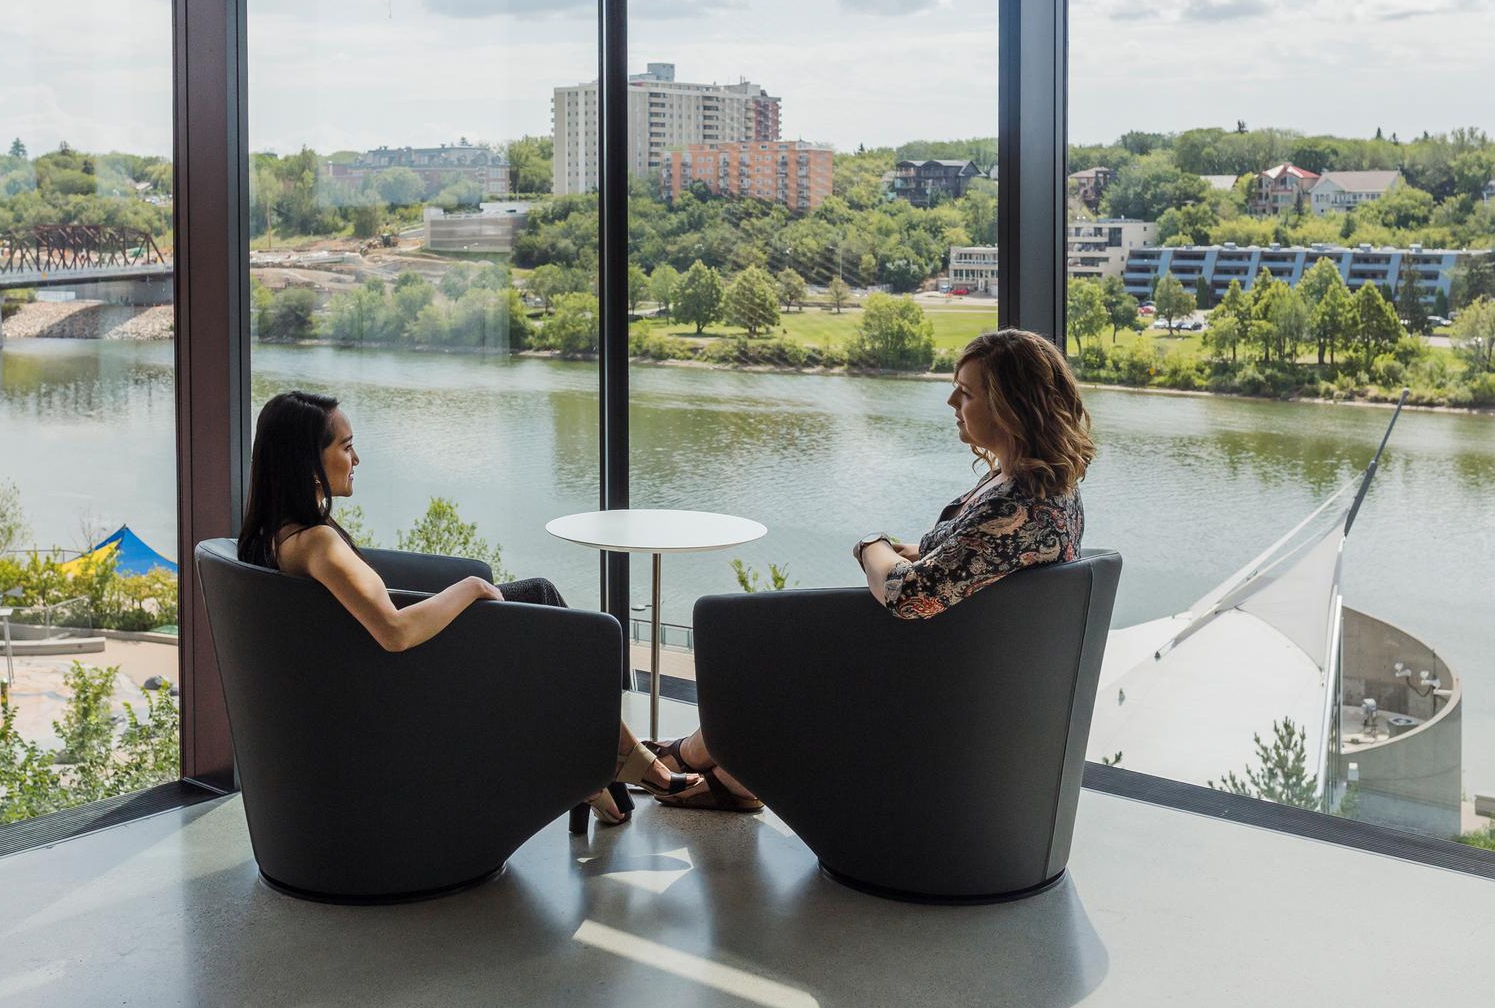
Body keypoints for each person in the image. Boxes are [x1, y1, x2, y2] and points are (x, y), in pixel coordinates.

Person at [647, 328, 1094, 812]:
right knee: (790, 642)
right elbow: (977, 560)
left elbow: (909, 597)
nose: (950, 401)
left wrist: (871, 547)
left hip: (941, 691)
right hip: (963, 668)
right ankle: (729, 772)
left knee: (778, 645)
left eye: (966, 392)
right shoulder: (1043, 488)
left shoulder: (1019, 501)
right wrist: (922, 550)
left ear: (1012, 405)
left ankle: (693, 757)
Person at [237, 389, 699, 825]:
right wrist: (472, 586)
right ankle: (615, 762)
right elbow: (394, 631)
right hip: (403, 692)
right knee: (543, 605)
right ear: (308, 460)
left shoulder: (273, 538)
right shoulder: (318, 543)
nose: (356, 459)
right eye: (346, 446)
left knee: (540, 612)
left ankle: (609, 762)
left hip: (369, 684)